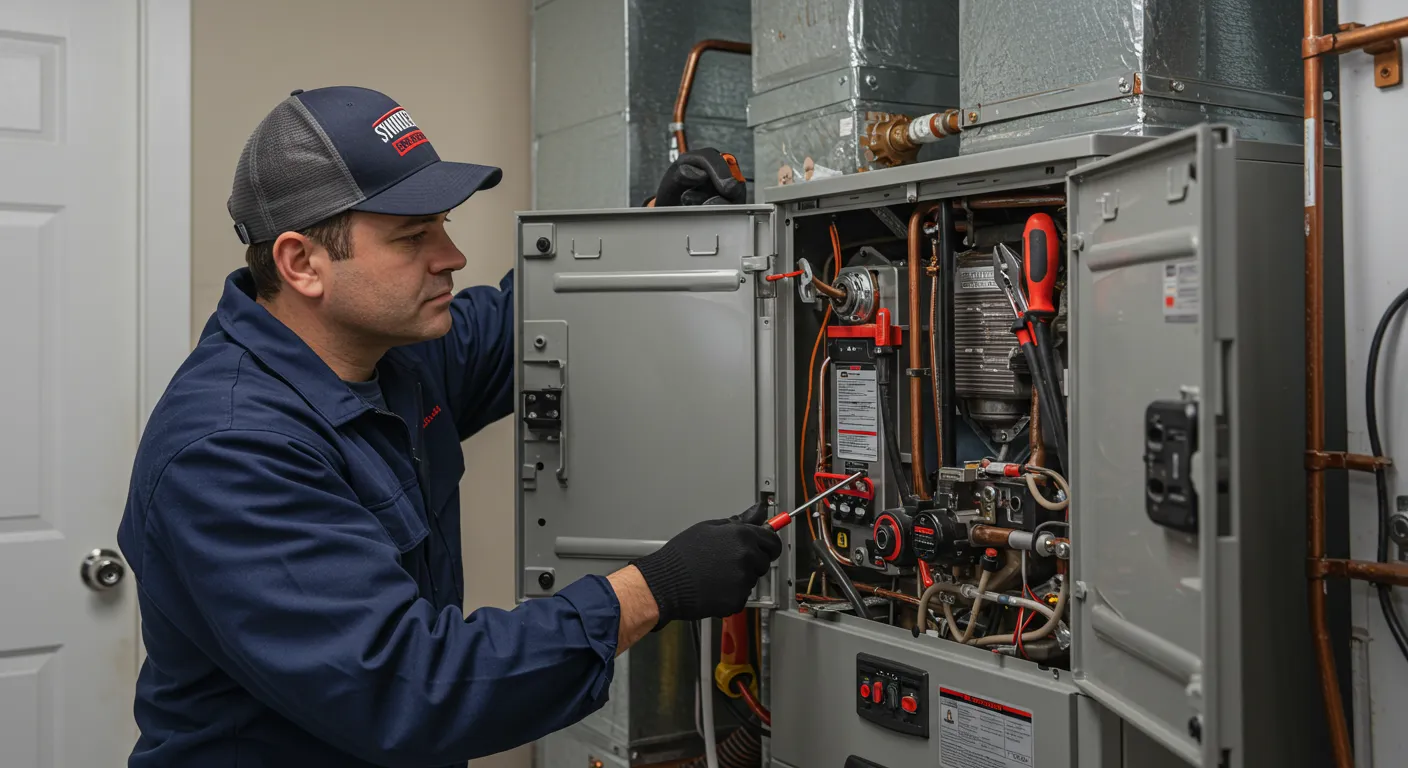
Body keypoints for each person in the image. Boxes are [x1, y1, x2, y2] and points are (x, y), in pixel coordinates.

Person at [115, 86, 779, 767]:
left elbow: (528, 320)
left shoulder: (394, 357)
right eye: (412, 236)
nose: (452, 256)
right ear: (301, 263)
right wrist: (654, 589)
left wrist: (654, 227)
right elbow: (409, 688)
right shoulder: (230, 452)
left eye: (442, 224)